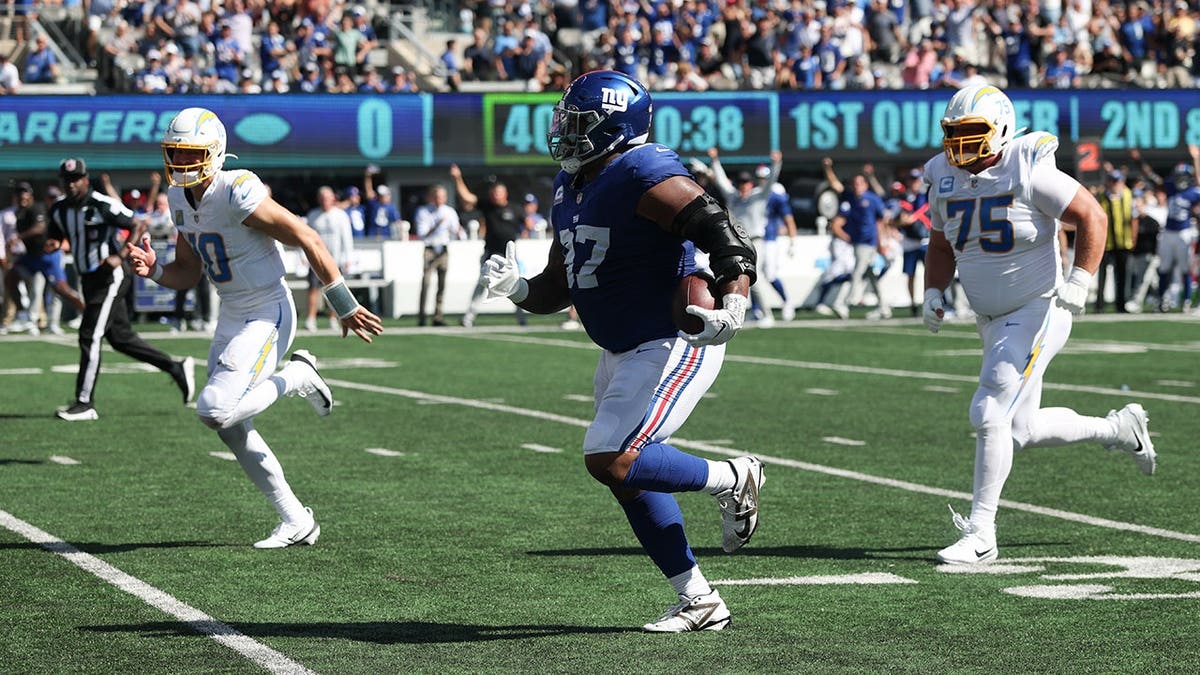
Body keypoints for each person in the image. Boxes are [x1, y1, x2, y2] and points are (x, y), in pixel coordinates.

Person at [480, 70, 764, 632]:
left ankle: (733, 478)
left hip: (672, 339)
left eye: (579, 125)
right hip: (620, 347)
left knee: (610, 456)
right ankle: (699, 599)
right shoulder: (571, 187)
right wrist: (518, 288)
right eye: (564, 122)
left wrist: (734, 301)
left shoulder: (641, 169)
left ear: (614, 126)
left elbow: (719, 230)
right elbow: (558, 286)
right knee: (624, 472)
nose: (566, 134)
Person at [921, 85, 1157, 566]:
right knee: (1020, 429)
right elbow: (942, 244)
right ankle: (1120, 429)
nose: (962, 147)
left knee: (989, 411)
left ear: (1002, 131)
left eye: (973, 134)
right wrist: (933, 290)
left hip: (1038, 307)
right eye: (956, 135)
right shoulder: (943, 177)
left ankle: (981, 532)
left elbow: (1090, 215)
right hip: (991, 318)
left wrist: (1079, 280)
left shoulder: (1027, 166)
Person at [126, 107, 383, 547]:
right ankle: (295, 520)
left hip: (268, 310)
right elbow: (187, 272)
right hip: (232, 312)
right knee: (229, 426)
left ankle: (299, 374)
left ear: (215, 152)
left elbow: (307, 237)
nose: (181, 164)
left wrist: (343, 303)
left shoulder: (237, 188)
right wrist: (153, 270)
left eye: (190, 154)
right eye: (175, 154)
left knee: (214, 411)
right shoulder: (176, 198)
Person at [46, 158, 195, 421]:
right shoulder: (59, 209)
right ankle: (176, 367)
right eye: (67, 180)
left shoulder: (102, 204)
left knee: (90, 334)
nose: (71, 184)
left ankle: (84, 403)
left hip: (111, 275)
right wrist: (52, 243)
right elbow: (56, 234)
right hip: (88, 277)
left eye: (76, 179)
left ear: (85, 178)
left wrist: (122, 255)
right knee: (120, 338)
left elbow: (138, 224)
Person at [705, 147, 782, 325]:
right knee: (738, 278)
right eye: (741, 183)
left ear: (751, 184)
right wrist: (715, 161)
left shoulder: (759, 196)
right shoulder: (733, 196)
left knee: (756, 278)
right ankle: (749, 313)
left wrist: (776, 163)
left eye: (746, 183)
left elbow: (771, 181)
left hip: (756, 241)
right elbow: (722, 181)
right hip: (738, 242)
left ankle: (767, 314)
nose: (743, 186)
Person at [451, 163, 527, 328]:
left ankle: (522, 318)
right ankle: (468, 318)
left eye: (498, 193)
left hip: (509, 257)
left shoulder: (515, 208)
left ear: (504, 193)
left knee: (515, 286)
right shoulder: (488, 206)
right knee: (482, 285)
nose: (495, 196)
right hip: (491, 255)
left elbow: (527, 224)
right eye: (493, 193)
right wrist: (457, 178)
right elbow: (467, 198)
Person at [823, 157, 889, 319]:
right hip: (857, 241)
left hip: (868, 242)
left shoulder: (872, 199)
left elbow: (882, 219)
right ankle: (884, 307)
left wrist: (882, 241)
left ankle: (845, 303)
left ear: (865, 185)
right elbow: (835, 184)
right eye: (855, 184)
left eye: (860, 183)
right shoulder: (850, 197)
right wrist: (827, 169)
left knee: (857, 272)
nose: (857, 187)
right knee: (871, 275)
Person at [303, 186, 354, 332]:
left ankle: (333, 318)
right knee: (313, 289)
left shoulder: (341, 215)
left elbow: (347, 238)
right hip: (315, 259)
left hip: (334, 260)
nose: (324, 201)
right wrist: (305, 256)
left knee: (335, 290)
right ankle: (311, 319)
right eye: (322, 198)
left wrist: (347, 257)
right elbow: (305, 238)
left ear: (333, 198)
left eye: (327, 197)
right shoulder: (313, 215)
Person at [412, 183, 461, 326]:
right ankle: (422, 316)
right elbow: (422, 234)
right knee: (426, 283)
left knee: (442, 284)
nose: (439, 200)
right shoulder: (424, 211)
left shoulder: (449, 211)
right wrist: (437, 225)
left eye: (442, 197)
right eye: (437, 197)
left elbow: (455, 229)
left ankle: (438, 316)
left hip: (443, 249)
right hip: (430, 249)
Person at [1095, 169, 1136, 313]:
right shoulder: (1101, 196)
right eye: (1112, 181)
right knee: (1102, 275)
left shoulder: (1127, 194)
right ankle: (1099, 305)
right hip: (1105, 242)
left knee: (1122, 275)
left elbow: (1133, 218)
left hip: (1123, 242)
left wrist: (1133, 238)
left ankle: (1121, 304)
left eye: (1117, 181)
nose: (1115, 184)